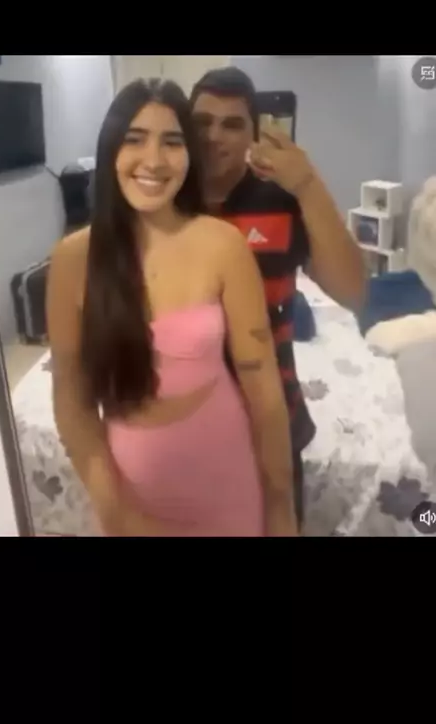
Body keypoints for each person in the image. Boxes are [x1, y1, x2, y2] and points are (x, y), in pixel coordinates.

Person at [47, 77, 298, 537]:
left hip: (226, 474)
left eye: (172, 142)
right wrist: (114, 506)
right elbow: (70, 397)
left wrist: (281, 505)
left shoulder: (223, 245)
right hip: (131, 487)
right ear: (110, 150)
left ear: (189, 155)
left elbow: (262, 385)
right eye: (135, 139)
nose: (155, 160)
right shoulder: (73, 259)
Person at [190, 67, 366, 528]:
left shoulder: (281, 200)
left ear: (254, 134)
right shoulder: (167, 203)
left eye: (232, 124)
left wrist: (307, 184)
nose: (213, 136)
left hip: (273, 421)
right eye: (201, 122)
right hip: (184, 431)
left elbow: (354, 290)